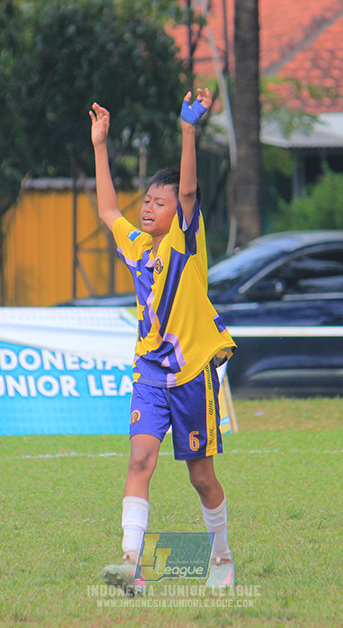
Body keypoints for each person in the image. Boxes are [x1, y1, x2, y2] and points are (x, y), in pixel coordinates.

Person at [89, 89, 237, 595]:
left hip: (193, 373)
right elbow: (109, 209)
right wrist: (100, 146)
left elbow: (191, 192)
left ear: (177, 213)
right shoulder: (136, 245)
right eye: (147, 201)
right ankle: (131, 563)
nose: (148, 208)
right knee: (139, 460)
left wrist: (188, 130)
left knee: (201, 478)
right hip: (149, 372)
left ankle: (221, 554)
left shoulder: (185, 244)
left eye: (159, 202)